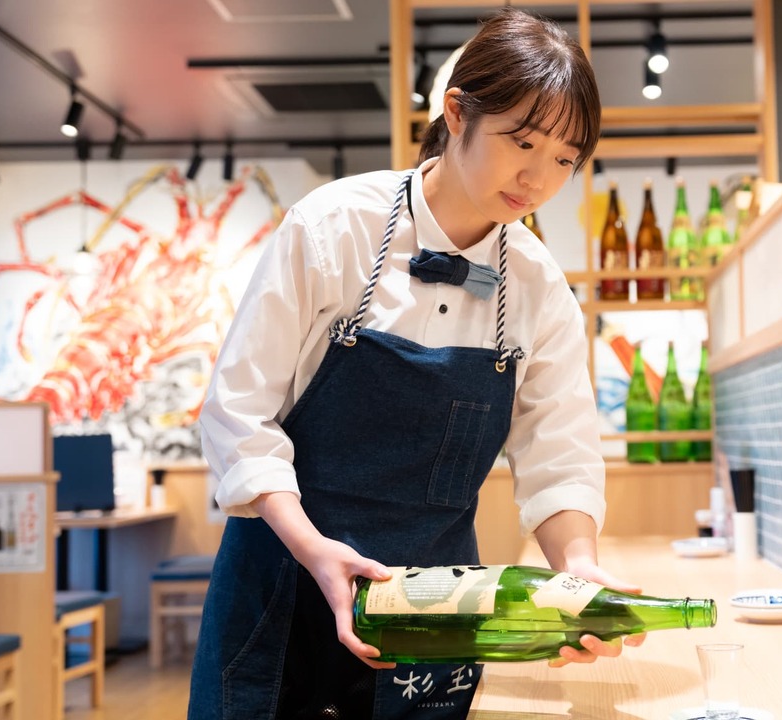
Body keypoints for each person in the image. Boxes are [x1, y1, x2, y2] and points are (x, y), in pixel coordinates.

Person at [189, 8, 642, 719]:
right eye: (521, 141)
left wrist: (577, 570)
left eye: (565, 158)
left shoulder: (536, 284)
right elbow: (238, 415)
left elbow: (559, 454)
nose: (539, 176)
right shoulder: (331, 227)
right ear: (457, 113)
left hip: (434, 613)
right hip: (282, 585)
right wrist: (315, 549)